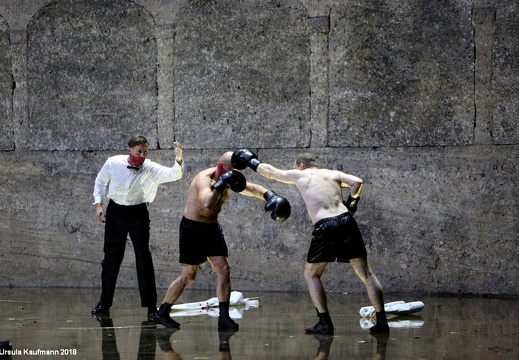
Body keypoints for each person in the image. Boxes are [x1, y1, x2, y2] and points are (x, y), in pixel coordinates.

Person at [231, 149, 389, 335]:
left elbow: (271, 172)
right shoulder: (332, 174)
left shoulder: (301, 174)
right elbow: (357, 182)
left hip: (326, 226)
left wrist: (250, 161)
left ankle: (325, 322)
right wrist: (352, 203)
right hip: (347, 221)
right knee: (366, 274)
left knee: (311, 274)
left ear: (301, 165)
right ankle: (382, 322)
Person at [153, 151, 290, 330]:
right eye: (229, 173)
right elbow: (206, 204)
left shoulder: (228, 177)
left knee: (224, 269)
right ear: (220, 167)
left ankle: (223, 317)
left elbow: (251, 188)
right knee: (188, 277)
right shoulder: (203, 179)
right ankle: (162, 312)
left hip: (211, 229)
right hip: (192, 229)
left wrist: (270, 196)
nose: (232, 178)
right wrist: (222, 182)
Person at [91, 135, 184, 320]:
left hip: (138, 214)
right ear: (130, 150)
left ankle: (151, 306)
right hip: (116, 211)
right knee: (110, 259)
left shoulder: (149, 167)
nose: (142, 155)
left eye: (145, 151)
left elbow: (174, 174)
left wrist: (179, 158)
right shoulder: (113, 163)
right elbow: (100, 182)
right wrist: (98, 205)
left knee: (143, 257)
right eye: (139, 151)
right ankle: (104, 303)